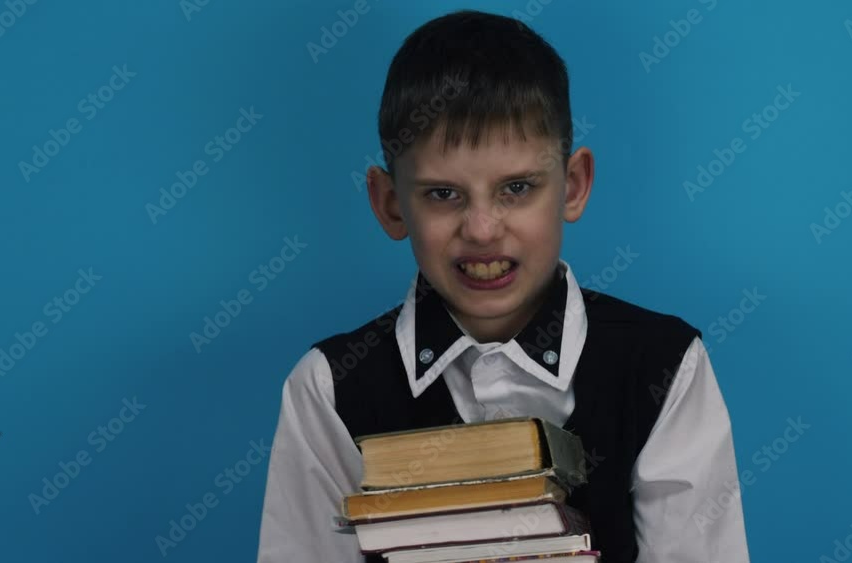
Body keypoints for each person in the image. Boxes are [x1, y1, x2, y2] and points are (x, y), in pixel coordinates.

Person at [257, 9, 749, 563]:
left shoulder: (663, 366)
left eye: (517, 187)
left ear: (574, 185)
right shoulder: (329, 389)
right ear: (390, 203)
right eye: (443, 194)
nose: (483, 229)